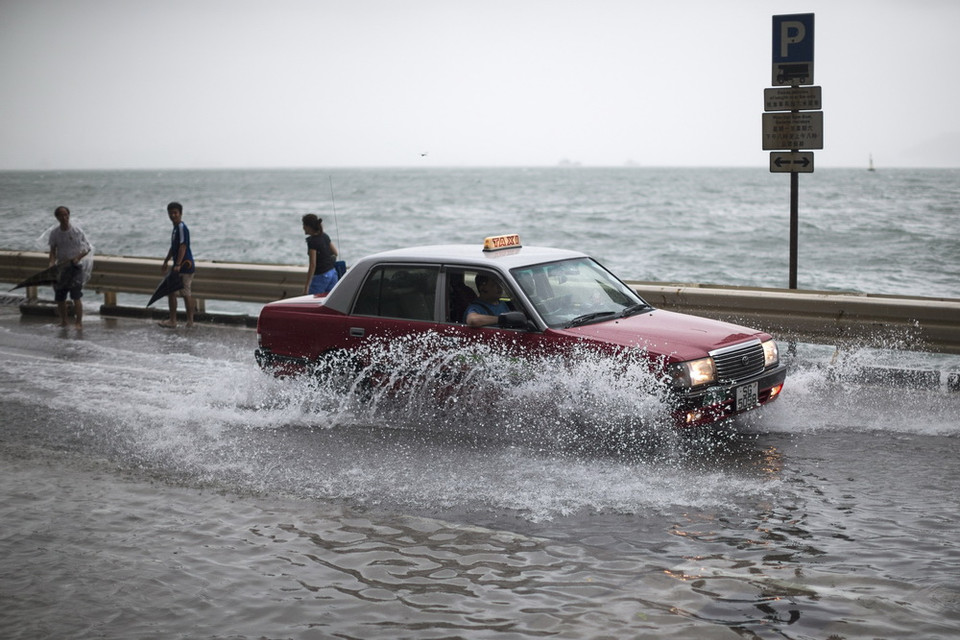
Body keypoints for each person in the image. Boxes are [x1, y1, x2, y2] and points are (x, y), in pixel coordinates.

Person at [48, 205, 92, 329]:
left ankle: (78, 322)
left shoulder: (77, 231)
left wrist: (78, 257)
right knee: (60, 296)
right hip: (61, 268)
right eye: (61, 215)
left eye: (66, 215)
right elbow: (52, 251)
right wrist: (51, 264)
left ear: (69, 215)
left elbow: (87, 248)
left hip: (75, 267)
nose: (64, 217)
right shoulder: (55, 233)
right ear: (57, 217)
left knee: (76, 296)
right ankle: (64, 321)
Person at [159, 201, 196, 328]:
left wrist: (178, 264)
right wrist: (166, 260)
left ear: (180, 213)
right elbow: (173, 247)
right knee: (171, 292)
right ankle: (173, 320)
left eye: (175, 213)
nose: (173, 215)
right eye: (170, 213)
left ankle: (190, 321)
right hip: (178, 265)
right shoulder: (175, 228)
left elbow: (183, 246)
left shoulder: (181, 227)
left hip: (185, 266)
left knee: (186, 293)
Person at [302, 214, 339, 295]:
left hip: (321, 276)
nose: (303, 228)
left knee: (312, 303)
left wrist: (307, 286)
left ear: (309, 226)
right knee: (329, 302)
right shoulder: (325, 236)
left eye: (304, 225)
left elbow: (312, 265)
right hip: (332, 273)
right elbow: (335, 253)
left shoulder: (312, 242)